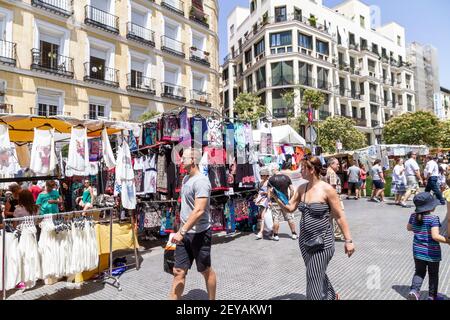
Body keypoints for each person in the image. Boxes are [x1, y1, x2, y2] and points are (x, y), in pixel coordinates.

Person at [273, 155, 355, 300]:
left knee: (313, 277)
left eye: (302, 168)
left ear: (311, 170)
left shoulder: (327, 190)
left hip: (323, 243)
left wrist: (348, 241)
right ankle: (331, 296)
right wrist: (276, 197)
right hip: (305, 242)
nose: (300, 171)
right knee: (317, 273)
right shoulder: (302, 188)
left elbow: (340, 216)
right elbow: (290, 208)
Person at [170, 148, 216, 300]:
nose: (181, 160)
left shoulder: (201, 181)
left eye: (184, 158)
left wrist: (181, 231)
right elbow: (186, 207)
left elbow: (199, 210)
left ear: (193, 160)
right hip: (184, 233)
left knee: (205, 270)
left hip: (200, 234)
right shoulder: (185, 179)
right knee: (178, 271)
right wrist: (179, 228)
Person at [407, 192, 450, 300]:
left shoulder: (413, 216)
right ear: (430, 206)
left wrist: (419, 229)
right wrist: (447, 240)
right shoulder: (433, 218)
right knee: (433, 274)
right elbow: (435, 236)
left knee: (419, 272)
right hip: (432, 253)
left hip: (417, 250)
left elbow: (409, 227)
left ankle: (414, 291)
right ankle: (432, 296)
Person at [268, 174, 298, 241]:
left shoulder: (271, 179)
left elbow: (269, 192)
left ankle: (276, 235)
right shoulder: (286, 177)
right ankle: (294, 234)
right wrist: (290, 199)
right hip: (285, 201)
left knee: (276, 218)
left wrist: (269, 200)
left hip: (275, 201)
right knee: (290, 217)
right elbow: (292, 189)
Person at [325, 158, 345, 241]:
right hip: (335, 199)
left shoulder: (327, 172)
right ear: (331, 164)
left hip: (329, 199)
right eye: (337, 164)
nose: (338, 165)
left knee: (330, 217)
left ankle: (329, 234)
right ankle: (337, 234)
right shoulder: (332, 173)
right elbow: (332, 188)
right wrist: (335, 201)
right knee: (340, 216)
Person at [255, 167, 271, 240]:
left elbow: (269, 193)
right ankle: (267, 231)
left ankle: (261, 232)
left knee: (263, 216)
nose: (261, 176)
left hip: (265, 201)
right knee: (263, 216)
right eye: (261, 175)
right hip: (261, 200)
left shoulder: (268, 182)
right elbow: (259, 191)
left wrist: (269, 200)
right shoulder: (261, 182)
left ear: (266, 175)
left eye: (262, 175)